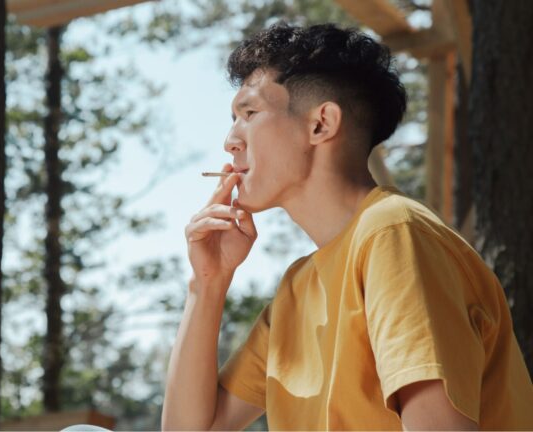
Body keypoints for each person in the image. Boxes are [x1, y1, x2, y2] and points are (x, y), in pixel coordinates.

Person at [161, 23, 533, 430]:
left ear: (321, 124)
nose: (230, 141)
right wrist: (208, 284)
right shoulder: (296, 290)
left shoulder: (394, 234)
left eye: (249, 113)